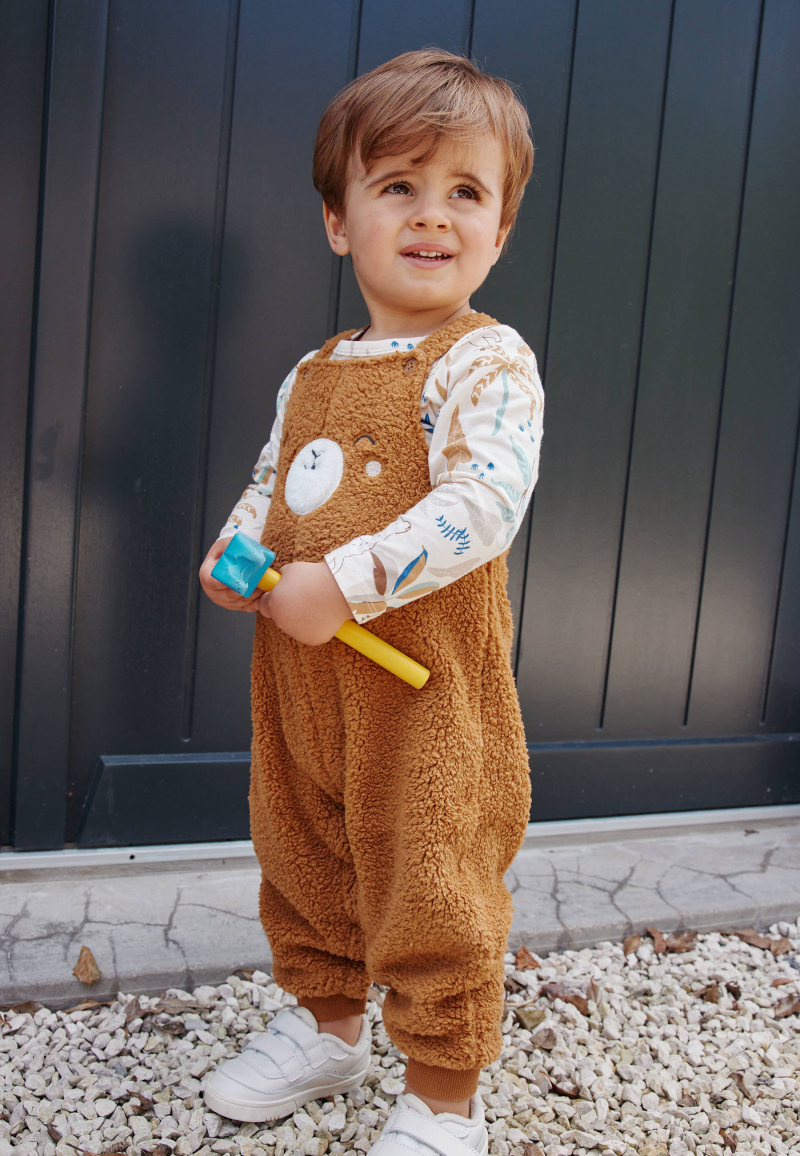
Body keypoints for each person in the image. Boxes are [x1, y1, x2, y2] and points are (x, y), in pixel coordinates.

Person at [199, 48, 543, 1156]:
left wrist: (344, 581)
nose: (431, 216)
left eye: (464, 192)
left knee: (430, 868)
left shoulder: (484, 364)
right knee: (302, 851)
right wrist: (238, 545)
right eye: (397, 186)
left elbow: (484, 500)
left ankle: (444, 1093)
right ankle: (327, 1021)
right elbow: (272, 479)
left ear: (500, 225)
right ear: (338, 221)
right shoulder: (314, 371)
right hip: (301, 683)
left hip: (421, 693)